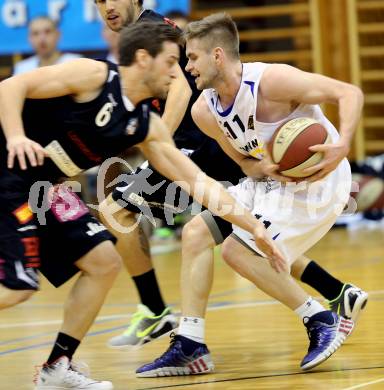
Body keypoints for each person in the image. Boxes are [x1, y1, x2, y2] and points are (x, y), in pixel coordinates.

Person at [0, 22, 285, 389]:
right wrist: (16, 136)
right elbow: (11, 85)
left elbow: (198, 182)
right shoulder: (93, 76)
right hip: (8, 174)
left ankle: (57, 366)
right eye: (170, 61)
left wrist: (254, 225)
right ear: (142, 58)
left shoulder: (146, 125)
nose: (176, 71)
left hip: (44, 185)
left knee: (103, 261)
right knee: (19, 286)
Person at [95, 0, 368, 350]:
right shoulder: (154, 54)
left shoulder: (155, 33)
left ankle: (154, 309)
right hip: (226, 145)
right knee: (240, 230)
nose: (105, 6)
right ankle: (334, 292)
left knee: (117, 210)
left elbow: (180, 88)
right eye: (98, 1)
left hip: (194, 149)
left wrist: (157, 141)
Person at [13, 16, 81, 75]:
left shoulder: (75, 62)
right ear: (29, 38)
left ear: (58, 35)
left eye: (47, 32)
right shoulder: (22, 69)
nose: (42, 38)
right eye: (36, 33)